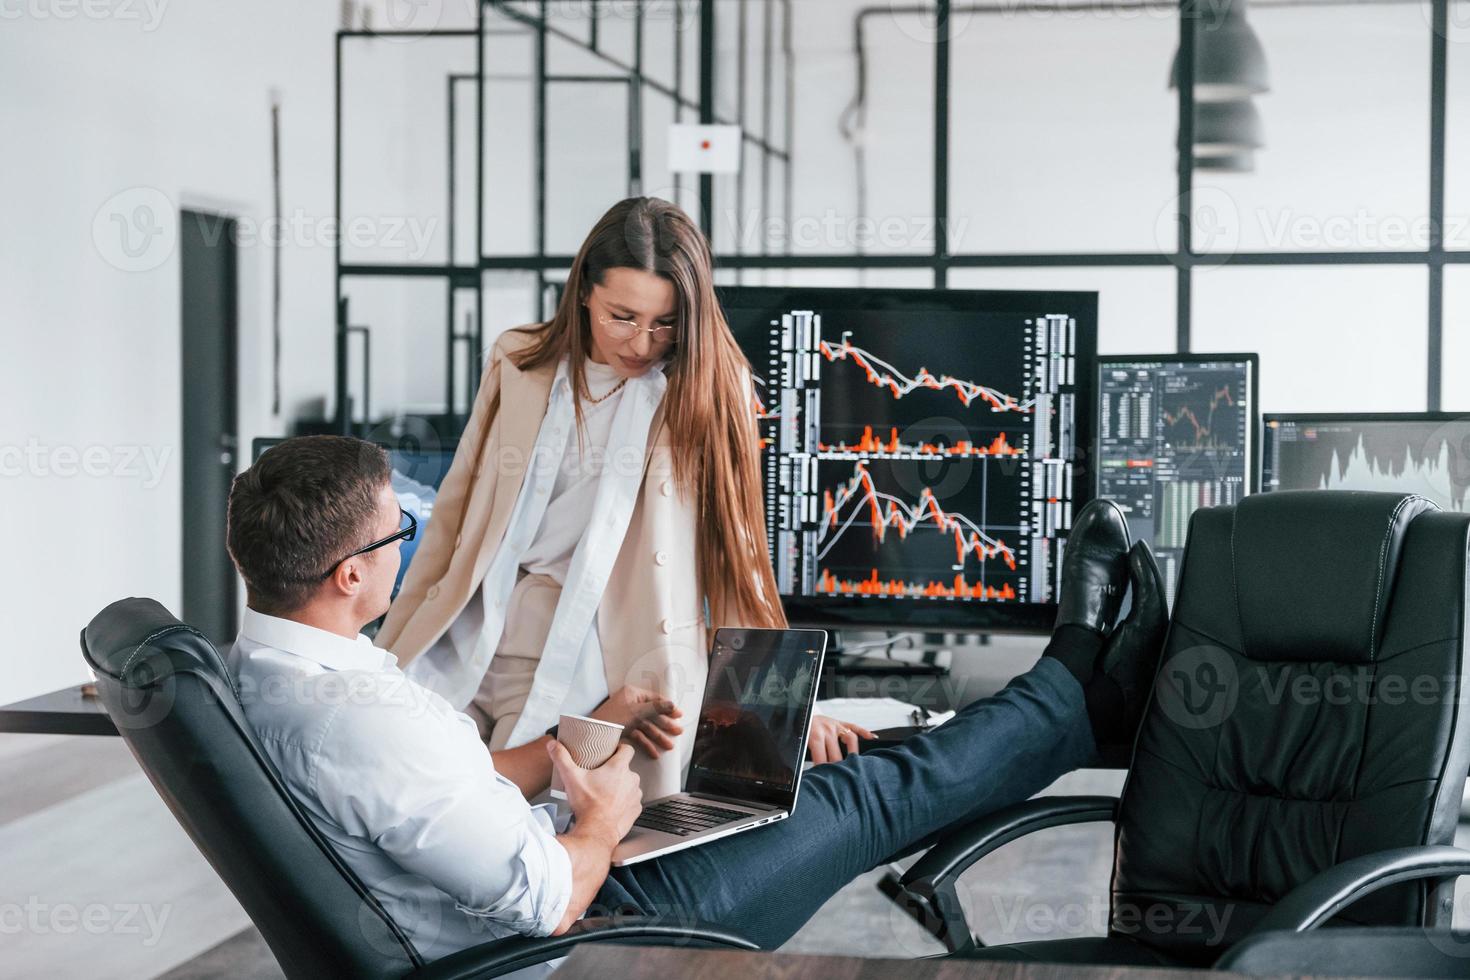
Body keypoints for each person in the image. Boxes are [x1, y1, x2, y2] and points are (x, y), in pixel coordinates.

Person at [223, 435, 1167, 968]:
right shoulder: (361, 724)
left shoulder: (279, 673)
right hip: (588, 933)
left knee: (790, 749)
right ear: (351, 573)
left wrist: (595, 722)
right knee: (865, 793)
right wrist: (603, 815)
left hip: (566, 870)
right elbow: (547, 898)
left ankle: (1081, 694)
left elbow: (467, 781)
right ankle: (1080, 680)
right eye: (402, 532)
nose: (412, 545)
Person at [373, 197, 868, 797]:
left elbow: (738, 560)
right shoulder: (519, 360)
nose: (641, 342)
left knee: (539, 824)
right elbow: (455, 517)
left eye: (665, 323)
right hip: (477, 627)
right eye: (622, 316)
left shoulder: (712, 388)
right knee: (405, 796)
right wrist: (392, 645)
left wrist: (786, 706)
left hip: (605, 659)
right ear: (584, 291)